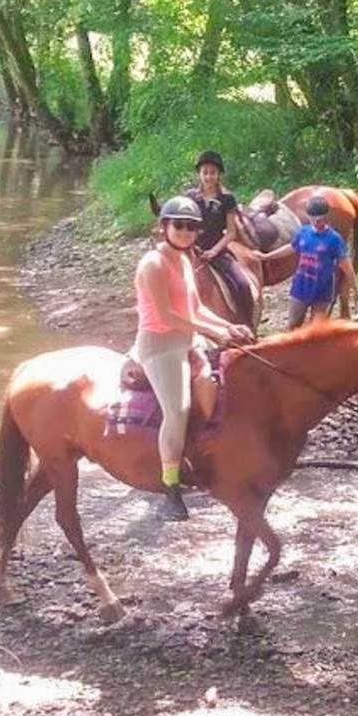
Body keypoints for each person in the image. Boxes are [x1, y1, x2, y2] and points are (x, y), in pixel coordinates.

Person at [132, 196, 254, 520]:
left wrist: (229, 326)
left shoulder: (185, 260)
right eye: (180, 226)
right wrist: (215, 334)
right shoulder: (153, 264)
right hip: (160, 345)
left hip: (188, 339)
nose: (186, 232)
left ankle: (201, 456)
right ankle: (169, 488)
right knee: (178, 410)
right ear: (165, 227)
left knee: (212, 388)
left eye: (192, 227)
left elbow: (195, 309)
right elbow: (168, 316)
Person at [260, 193, 358, 330]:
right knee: (293, 325)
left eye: (320, 220)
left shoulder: (334, 239)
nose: (317, 223)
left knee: (316, 329)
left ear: (326, 217)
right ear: (308, 217)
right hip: (301, 287)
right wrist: (267, 256)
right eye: (313, 220)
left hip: (323, 291)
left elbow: (346, 265)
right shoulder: (303, 232)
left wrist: (355, 288)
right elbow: (291, 247)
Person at [185, 150, 256, 326]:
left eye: (213, 172)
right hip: (193, 249)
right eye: (205, 172)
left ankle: (248, 323)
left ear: (218, 175)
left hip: (217, 250)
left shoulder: (227, 199)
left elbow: (231, 232)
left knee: (243, 284)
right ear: (199, 174)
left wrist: (213, 251)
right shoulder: (190, 197)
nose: (209, 177)